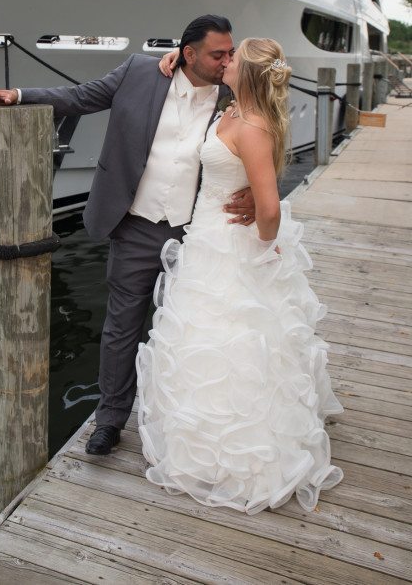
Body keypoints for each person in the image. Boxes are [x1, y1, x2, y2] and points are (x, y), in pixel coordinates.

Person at [0, 15, 256, 455]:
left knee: (196, 326)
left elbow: (268, 138)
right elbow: (81, 96)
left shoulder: (236, 91)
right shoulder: (139, 71)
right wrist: (19, 94)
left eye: (230, 53)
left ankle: (186, 416)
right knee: (121, 328)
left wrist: (259, 194)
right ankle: (110, 419)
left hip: (200, 231)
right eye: (218, 54)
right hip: (136, 224)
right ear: (189, 54)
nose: (227, 60)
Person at [136, 38, 344, 514]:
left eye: (232, 58)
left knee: (238, 341)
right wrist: (170, 57)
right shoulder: (230, 110)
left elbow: (269, 208)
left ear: (245, 73)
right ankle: (202, 443)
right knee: (202, 339)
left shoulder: (251, 126)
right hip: (206, 238)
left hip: (233, 246)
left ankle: (244, 456)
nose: (223, 62)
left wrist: (267, 249)